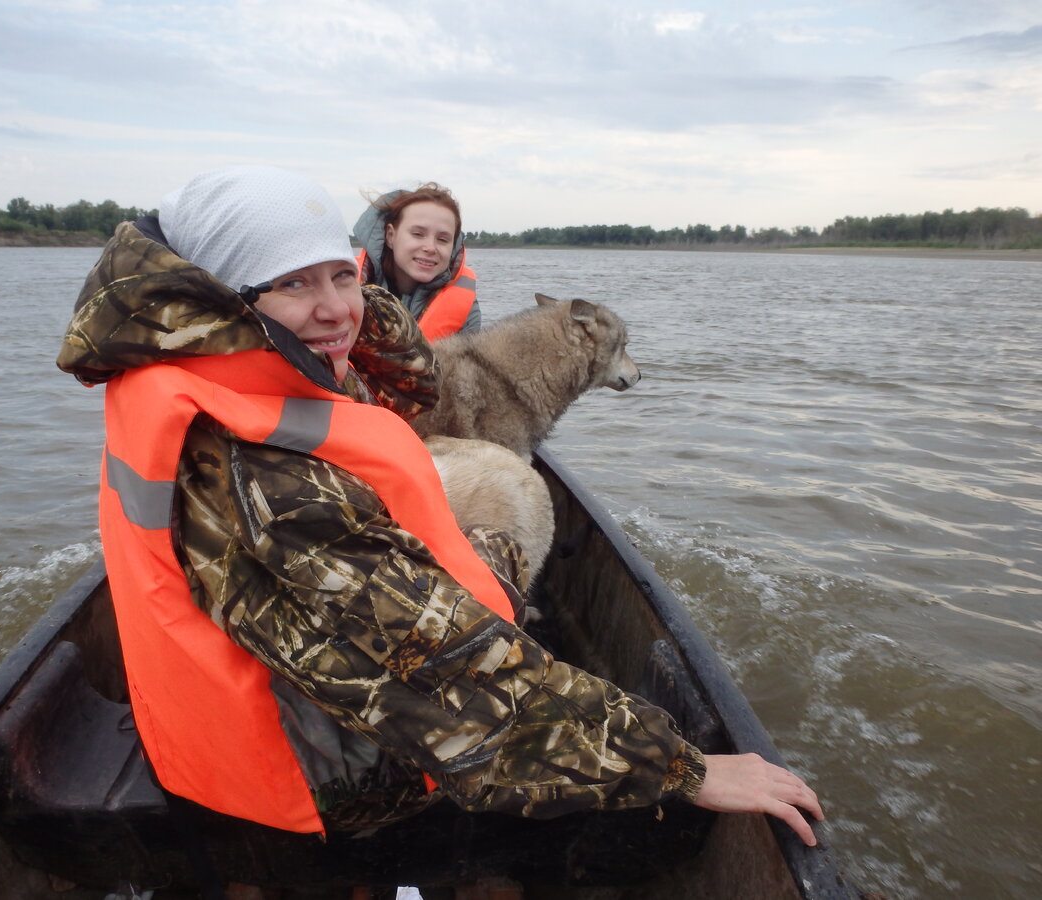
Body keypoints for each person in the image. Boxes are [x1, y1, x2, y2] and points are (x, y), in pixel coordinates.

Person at [56, 165, 823, 847]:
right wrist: (682, 768)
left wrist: (356, 310)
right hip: (313, 778)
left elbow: (408, 383)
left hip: (200, 732)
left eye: (339, 276)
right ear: (223, 295)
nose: (333, 310)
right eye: (293, 282)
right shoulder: (250, 471)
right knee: (507, 522)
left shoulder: (208, 365)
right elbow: (450, 678)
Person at [352, 182, 480, 339]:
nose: (430, 247)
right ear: (390, 236)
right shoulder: (344, 286)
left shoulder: (467, 309)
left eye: (442, 239)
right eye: (418, 234)